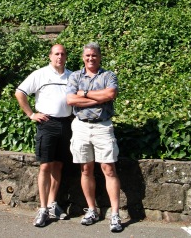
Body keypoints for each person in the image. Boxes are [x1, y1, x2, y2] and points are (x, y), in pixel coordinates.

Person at [66, 42, 123, 233]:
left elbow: (111, 93)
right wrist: (97, 98)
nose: (91, 58)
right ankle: (91, 210)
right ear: (83, 57)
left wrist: (84, 94)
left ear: (99, 57)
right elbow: (70, 100)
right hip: (81, 127)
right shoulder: (75, 76)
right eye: (88, 55)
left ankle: (115, 214)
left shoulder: (108, 76)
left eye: (94, 55)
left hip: (102, 127)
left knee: (109, 169)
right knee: (85, 169)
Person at [15, 44, 72, 228]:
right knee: (45, 165)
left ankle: (53, 204)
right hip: (47, 124)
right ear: (50, 56)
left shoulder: (72, 76)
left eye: (62, 54)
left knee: (58, 165)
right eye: (56, 54)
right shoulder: (40, 74)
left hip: (67, 124)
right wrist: (31, 114)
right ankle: (42, 208)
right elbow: (20, 93)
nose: (60, 57)